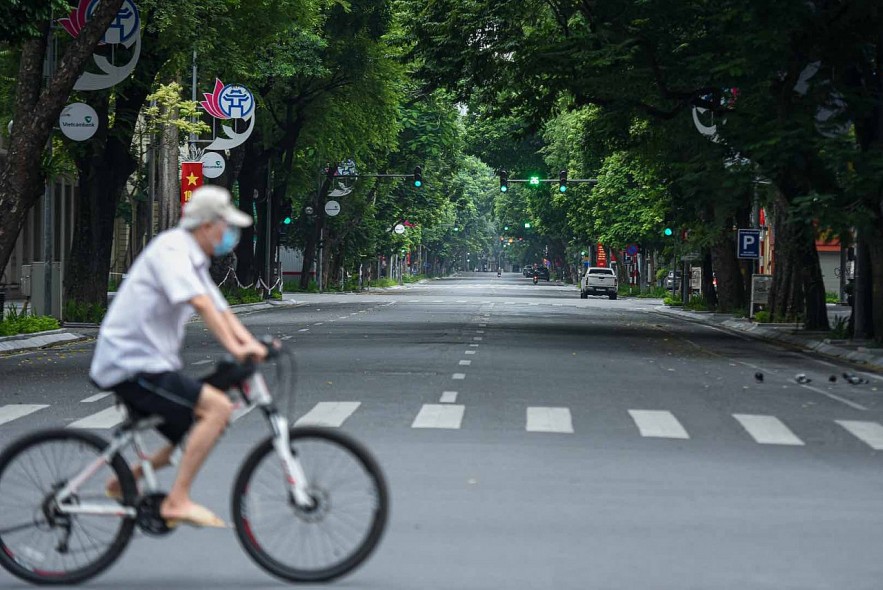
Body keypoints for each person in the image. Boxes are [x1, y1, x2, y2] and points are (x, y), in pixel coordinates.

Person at [89, 185, 268, 528]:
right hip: (129, 365)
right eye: (225, 226)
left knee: (209, 413)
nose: (230, 234)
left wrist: (253, 344)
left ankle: (125, 479)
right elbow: (200, 304)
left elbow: (221, 309)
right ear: (206, 226)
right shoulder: (171, 250)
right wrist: (236, 349)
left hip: (152, 365)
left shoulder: (194, 258)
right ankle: (177, 500)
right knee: (213, 408)